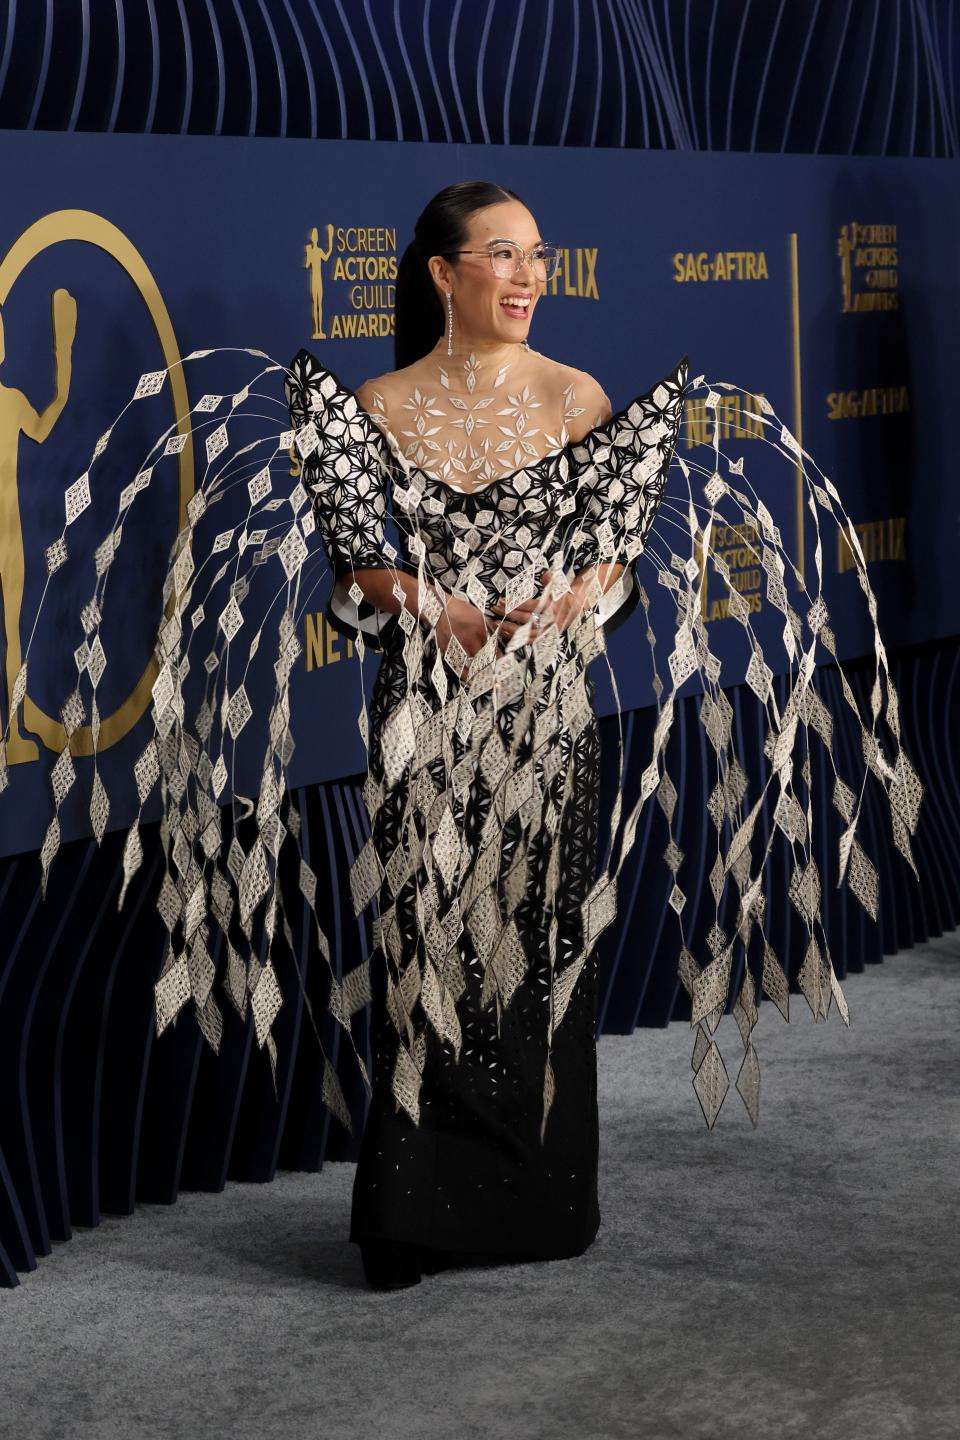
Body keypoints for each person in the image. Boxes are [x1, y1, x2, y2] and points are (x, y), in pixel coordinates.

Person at [284, 180, 687, 1289]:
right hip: (424, 706)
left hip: (544, 712)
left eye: (538, 257)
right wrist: (439, 611)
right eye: (502, 256)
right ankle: (409, 1211)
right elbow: (359, 566)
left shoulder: (575, 396)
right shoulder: (378, 400)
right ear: (442, 273)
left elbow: (617, 561)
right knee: (422, 939)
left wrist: (574, 599)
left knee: (537, 943)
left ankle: (529, 1200)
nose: (526, 278)